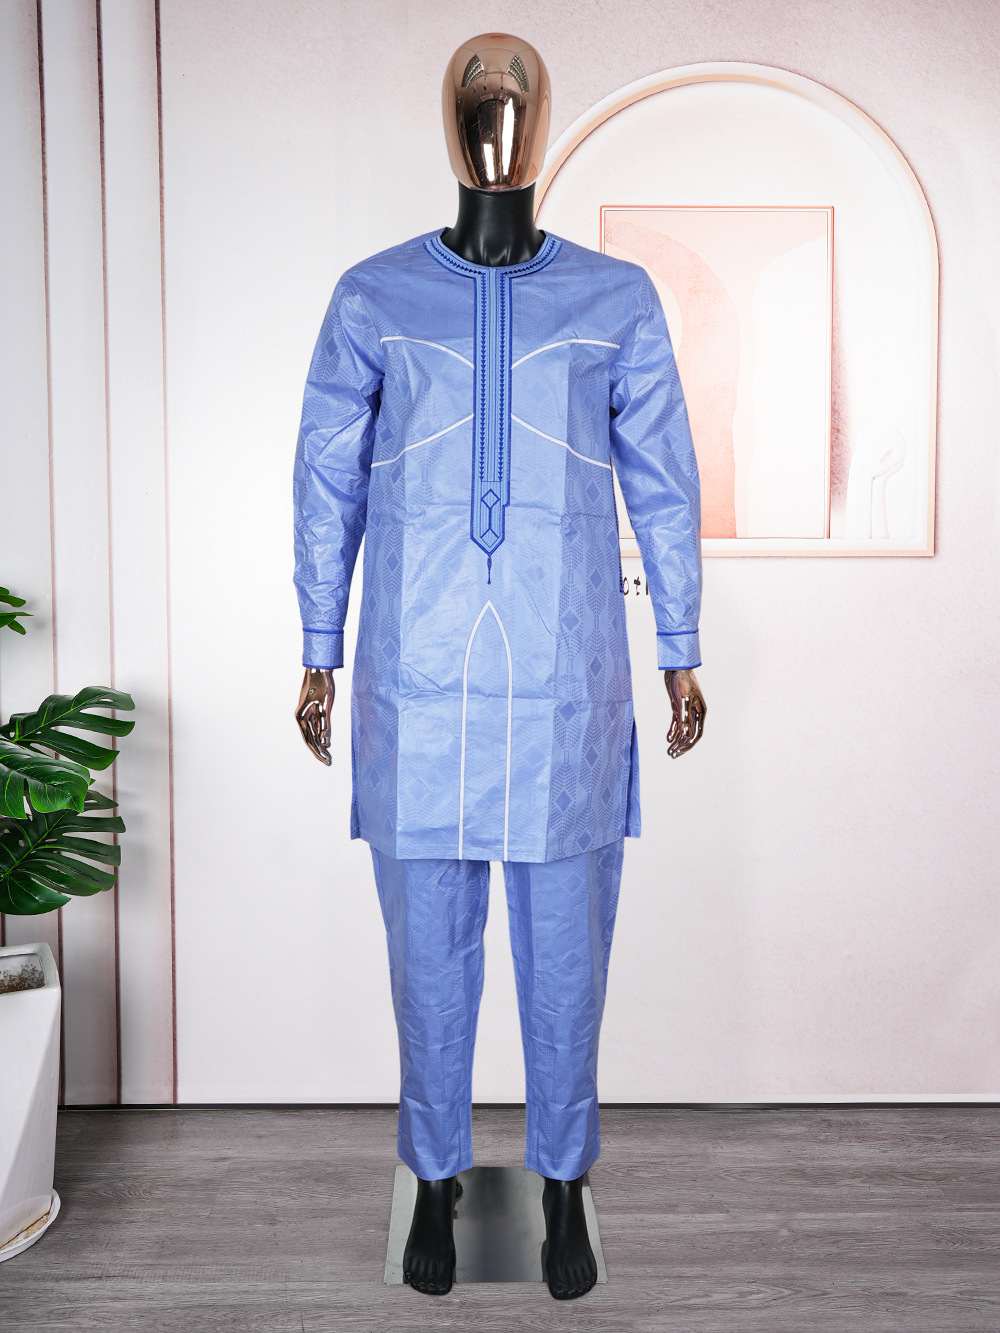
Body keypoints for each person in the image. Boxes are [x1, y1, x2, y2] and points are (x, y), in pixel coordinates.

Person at [293, 33, 705, 1300]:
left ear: (543, 126)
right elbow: (323, 484)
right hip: (415, 677)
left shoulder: (614, 299)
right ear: (449, 126)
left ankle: (565, 1180)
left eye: (515, 106)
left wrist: (679, 645)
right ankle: (433, 1172)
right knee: (429, 948)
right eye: (479, 106)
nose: (497, 128)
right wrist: (318, 647)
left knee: (566, 949)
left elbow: (664, 482)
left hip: (564, 680)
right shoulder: (373, 297)